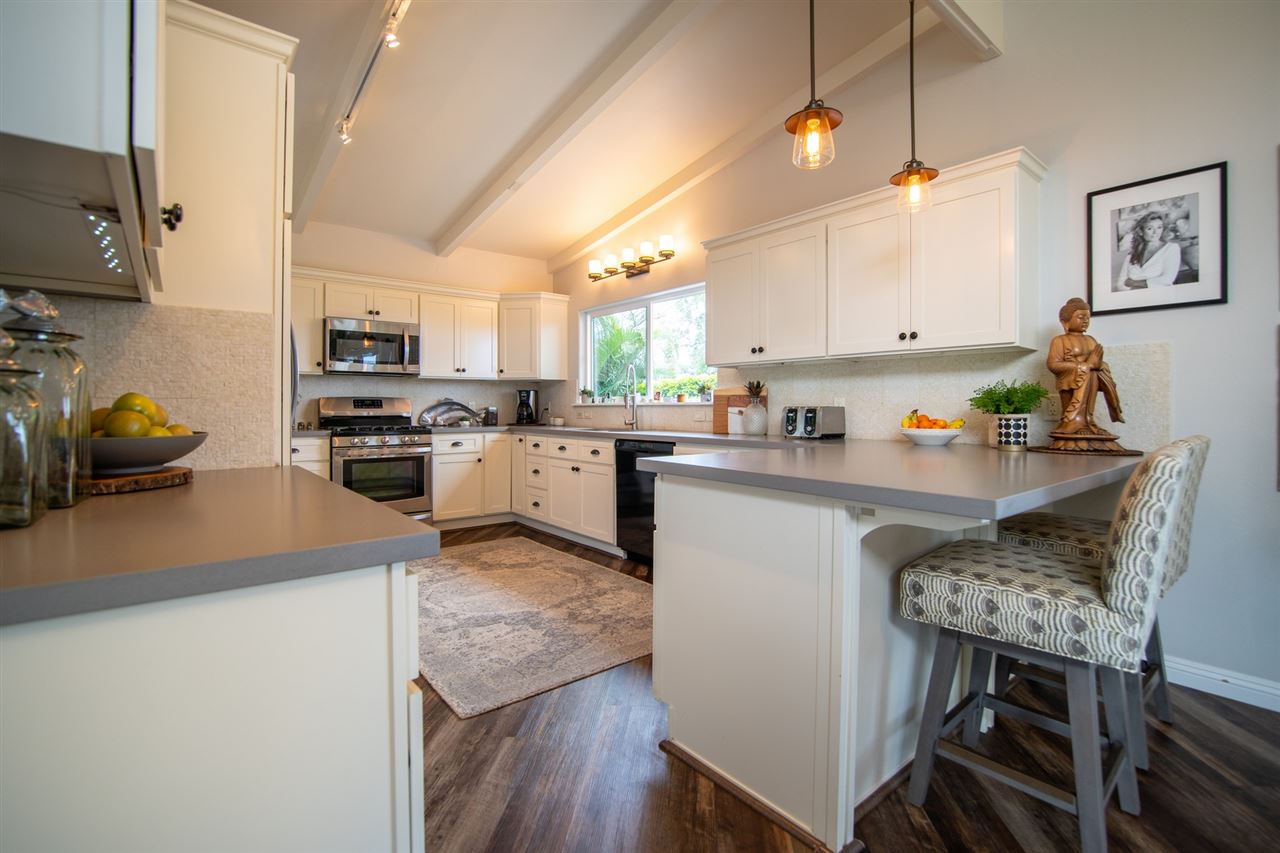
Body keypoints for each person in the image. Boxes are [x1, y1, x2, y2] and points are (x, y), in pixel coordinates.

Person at [1046, 298, 1124, 435]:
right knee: (1086, 375)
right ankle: (1071, 422)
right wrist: (1086, 365)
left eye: (1088, 317)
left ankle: (1087, 422)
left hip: (1090, 381)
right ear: (1065, 322)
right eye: (1080, 317)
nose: (1085, 321)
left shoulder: (1091, 340)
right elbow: (1053, 365)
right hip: (1070, 383)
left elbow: (1097, 364)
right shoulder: (1060, 341)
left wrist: (1098, 365)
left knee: (1093, 374)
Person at [1115, 210, 1181, 289]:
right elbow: (1120, 284)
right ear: (1141, 232)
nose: (1155, 232)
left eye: (1159, 227)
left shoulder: (1171, 248)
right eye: (1150, 228)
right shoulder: (1131, 254)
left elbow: (1167, 279)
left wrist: (1135, 283)